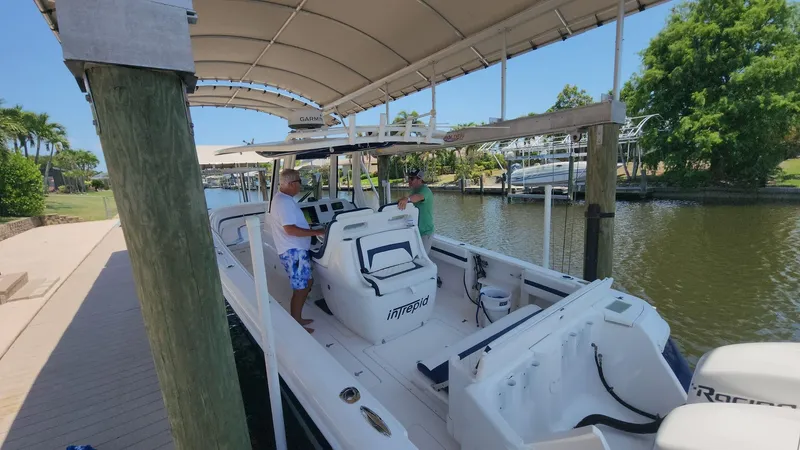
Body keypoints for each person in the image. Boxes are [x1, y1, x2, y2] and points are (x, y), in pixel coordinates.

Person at [269, 169, 325, 333]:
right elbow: (290, 230)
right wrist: (318, 232)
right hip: (293, 251)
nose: (301, 186)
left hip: (294, 249)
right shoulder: (284, 203)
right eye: (300, 182)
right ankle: (295, 323)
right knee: (301, 288)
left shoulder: (282, 199)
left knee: (306, 283)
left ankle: (297, 318)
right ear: (292, 184)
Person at [397, 168, 434, 255]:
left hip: (425, 232)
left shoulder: (425, 190)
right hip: (416, 231)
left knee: (422, 257)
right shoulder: (413, 191)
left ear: (420, 179)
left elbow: (419, 197)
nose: (409, 180)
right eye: (409, 178)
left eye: (412, 178)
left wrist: (407, 199)